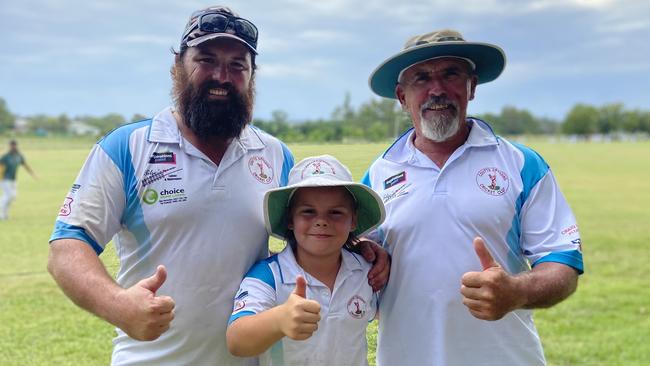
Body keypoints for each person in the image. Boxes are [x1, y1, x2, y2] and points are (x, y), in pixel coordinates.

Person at [46, 5, 389, 365]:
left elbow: (310, 231)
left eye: (238, 65)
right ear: (178, 66)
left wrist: (359, 247)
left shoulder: (274, 155)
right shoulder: (128, 147)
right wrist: (119, 306)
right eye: (206, 60)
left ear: (252, 76)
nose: (222, 76)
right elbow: (67, 248)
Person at [362, 29, 584, 365]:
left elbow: (563, 265)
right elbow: (354, 259)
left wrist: (516, 292)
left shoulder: (522, 164)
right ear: (401, 96)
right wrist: (364, 254)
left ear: (472, 86)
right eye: (421, 78)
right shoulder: (378, 174)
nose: (437, 89)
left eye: (451, 73)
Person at [226, 155, 385, 366]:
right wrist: (279, 319)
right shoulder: (270, 275)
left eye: (335, 212)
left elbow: (401, 310)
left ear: (353, 220)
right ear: (290, 219)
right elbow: (236, 341)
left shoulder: (366, 272)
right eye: (308, 212)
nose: (321, 221)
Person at [0, 139, 37, 220]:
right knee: (9, 196)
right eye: (12, 145)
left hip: (13, 179)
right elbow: (1, 168)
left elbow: (25, 165)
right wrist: (1, 178)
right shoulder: (5, 157)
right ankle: (2, 214)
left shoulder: (19, 156)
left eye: (15, 145)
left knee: (12, 197)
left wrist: (32, 174)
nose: (14, 146)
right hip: (4, 179)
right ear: (9, 146)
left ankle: (5, 214)